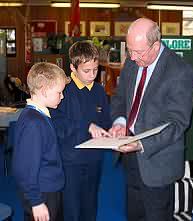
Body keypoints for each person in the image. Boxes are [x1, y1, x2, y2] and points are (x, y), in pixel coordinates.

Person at [109, 18, 193, 221]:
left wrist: (141, 143)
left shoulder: (180, 71)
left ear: (156, 45)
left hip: (158, 161)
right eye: (129, 50)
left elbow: (177, 123)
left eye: (138, 52)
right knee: (134, 214)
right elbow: (120, 97)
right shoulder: (132, 62)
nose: (132, 57)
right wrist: (120, 122)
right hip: (130, 156)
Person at [49, 40, 112, 221]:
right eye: (86, 71)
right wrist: (87, 126)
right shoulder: (63, 91)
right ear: (73, 67)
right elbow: (57, 124)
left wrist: (111, 130)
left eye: (95, 69)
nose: (92, 75)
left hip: (94, 160)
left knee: (90, 207)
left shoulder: (99, 91)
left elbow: (105, 120)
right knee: (71, 210)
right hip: (71, 161)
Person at [12, 62, 69, 221]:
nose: (62, 96)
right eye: (59, 92)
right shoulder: (34, 123)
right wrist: (36, 202)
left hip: (49, 189)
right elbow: (24, 167)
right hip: (42, 194)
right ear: (44, 91)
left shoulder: (39, 115)